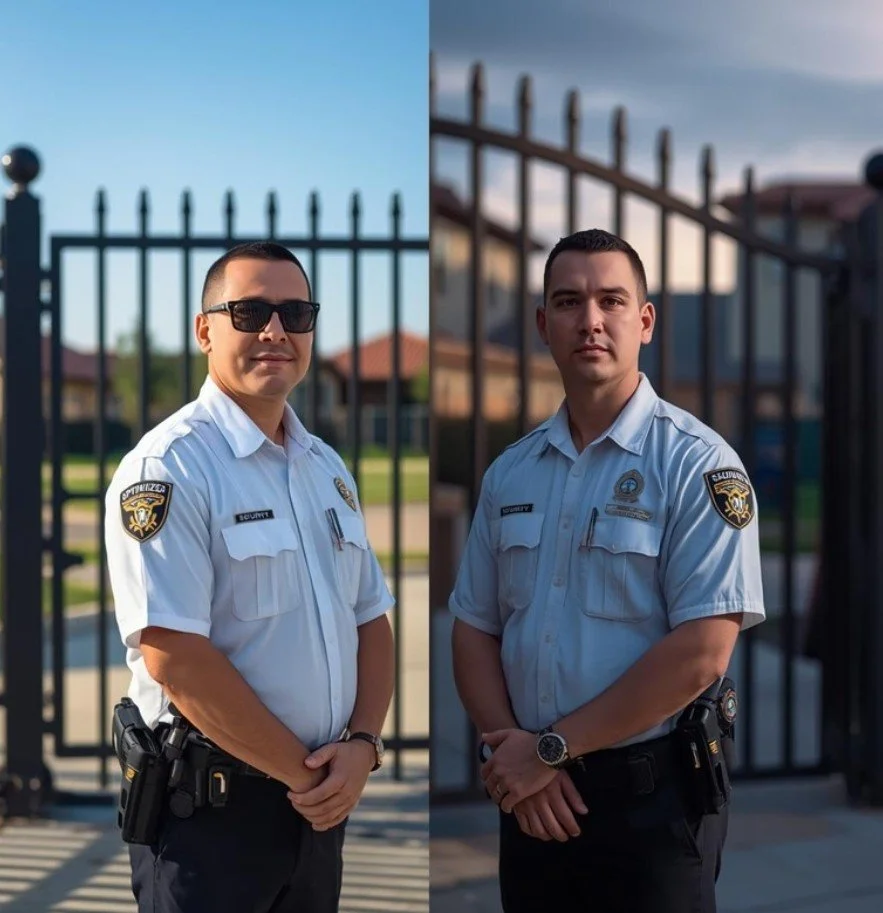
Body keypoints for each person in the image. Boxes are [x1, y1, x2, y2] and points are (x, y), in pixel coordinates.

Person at [449, 229, 765, 913]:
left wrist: (551, 749)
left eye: (610, 300)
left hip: (652, 802)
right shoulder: (510, 473)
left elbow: (702, 652)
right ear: (542, 324)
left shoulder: (697, 464)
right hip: (530, 800)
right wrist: (516, 755)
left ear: (643, 321)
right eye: (567, 301)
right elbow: (474, 626)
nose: (589, 319)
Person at [105, 241, 395, 913]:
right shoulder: (169, 468)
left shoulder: (326, 466)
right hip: (209, 822)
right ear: (205, 330)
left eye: (295, 312)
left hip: (318, 810)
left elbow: (369, 617)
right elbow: (175, 656)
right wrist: (311, 778)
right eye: (249, 311)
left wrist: (362, 745)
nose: (275, 330)